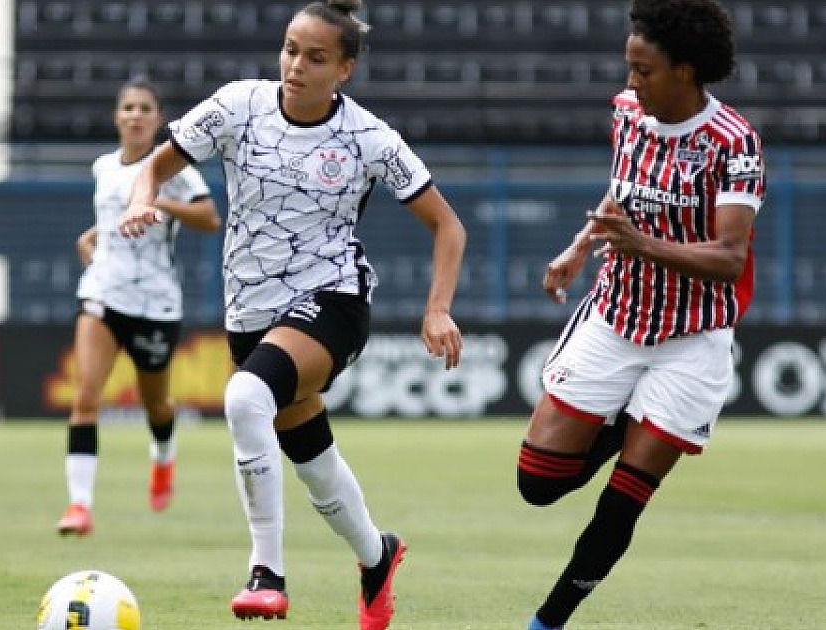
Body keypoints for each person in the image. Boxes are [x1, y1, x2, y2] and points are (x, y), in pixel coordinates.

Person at [118, 1, 466, 627]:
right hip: (249, 311)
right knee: (312, 461)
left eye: (315, 57)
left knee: (245, 397)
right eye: (290, 50)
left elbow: (448, 225)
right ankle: (377, 556)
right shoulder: (238, 105)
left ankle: (266, 573)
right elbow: (157, 165)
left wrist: (437, 309)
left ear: (345, 69)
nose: (296, 66)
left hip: (334, 299)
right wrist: (142, 198)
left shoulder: (368, 138)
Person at [518, 1, 766, 628]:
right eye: (629, 67)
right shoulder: (629, 114)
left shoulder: (733, 142)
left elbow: (730, 258)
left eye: (644, 70)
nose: (632, 81)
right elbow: (623, 190)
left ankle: (548, 620)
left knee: (625, 498)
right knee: (538, 482)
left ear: (686, 70)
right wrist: (580, 247)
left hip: (693, 336)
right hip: (617, 316)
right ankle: (627, 423)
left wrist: (644, 244)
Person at [56, 77, 220, 537]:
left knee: (157, 406)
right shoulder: (104, 167)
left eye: (145, 108)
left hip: (155, 303)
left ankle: (163, 458)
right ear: (117, 116)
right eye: (128, 107)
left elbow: (209, 218)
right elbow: (114, 215)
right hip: (104, 291)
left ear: (158, 118)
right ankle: (80, 506)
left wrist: (159, 200)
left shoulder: (172, 168)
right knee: (86, 395)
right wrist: (92, 236)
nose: (135, 115)